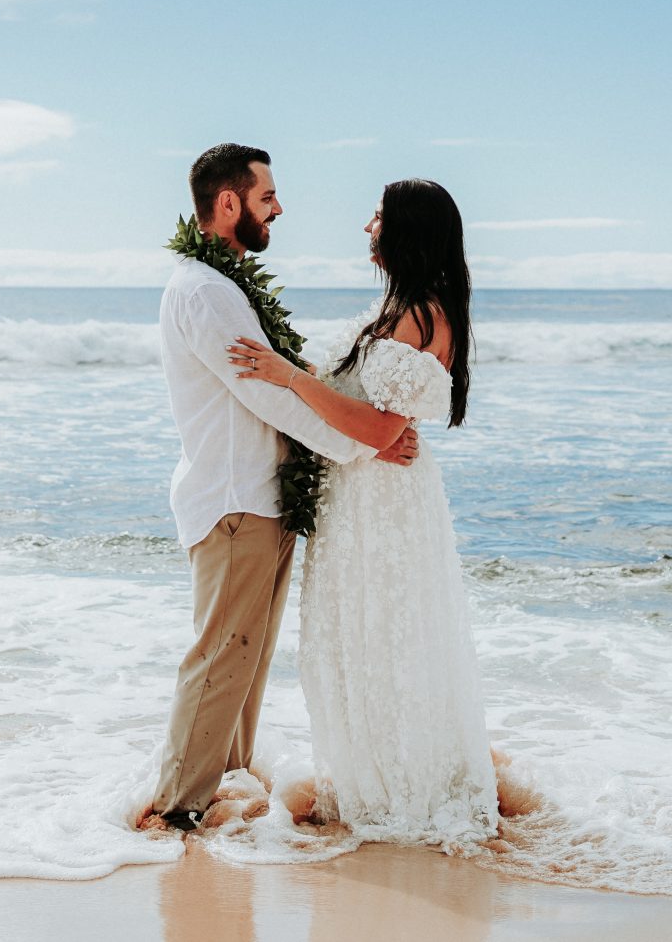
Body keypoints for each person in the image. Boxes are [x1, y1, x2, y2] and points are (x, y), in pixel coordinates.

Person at [144, 144, 420, 832]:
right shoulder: (207, 291)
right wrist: (367, 445)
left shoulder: (225, 283)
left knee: (246, 661)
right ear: (229, 203)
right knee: (220, 659)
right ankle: (178, 810)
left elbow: (288, 377)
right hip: (233, 498)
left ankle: (223, 793)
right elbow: (270, 398)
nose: (280, 207)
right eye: (268, 195)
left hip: (259, 496)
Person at [228, 178, 503, 846]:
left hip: (386, 502)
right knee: (355, 636)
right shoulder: (396, 306)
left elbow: (381, 432)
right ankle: (364, 780)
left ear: (403, 228)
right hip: (357, 493)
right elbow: (359, 410)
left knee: (389, 635)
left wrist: (286, 376)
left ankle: (401, 789)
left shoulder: (425, 314)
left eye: (377, 215)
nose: (366, 227)